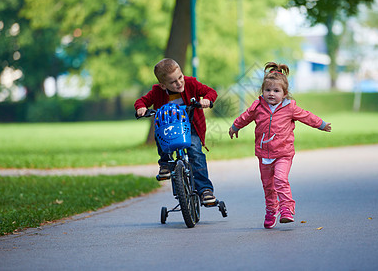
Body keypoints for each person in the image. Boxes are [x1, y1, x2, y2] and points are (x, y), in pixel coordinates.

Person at [228, 62, 332, 229]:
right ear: (262, 91)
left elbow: (307, 116)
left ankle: (286, 210)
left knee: (280, 180)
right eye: (268, 90)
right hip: (264, 154)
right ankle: (271, 209)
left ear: (284, 94)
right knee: (268, 186)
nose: (271, 94)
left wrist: (321, 124)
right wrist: (235, 126)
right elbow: (245, 117)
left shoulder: (289, 108)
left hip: (283, 153)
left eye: (276, 91)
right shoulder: (258, 106)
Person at [135, 58, 218, 205]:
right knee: (160, 137)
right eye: (173, 82)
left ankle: (205, 190)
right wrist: (141, 108)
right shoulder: (156, 91)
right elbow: (141, 101)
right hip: (168, 128)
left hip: (190, 127)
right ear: (162, 85)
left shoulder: (191, 83)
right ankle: (165, 164)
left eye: (180, 77)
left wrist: (206, 99)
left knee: (195, 154)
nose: (179, 83)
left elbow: (210, 92)